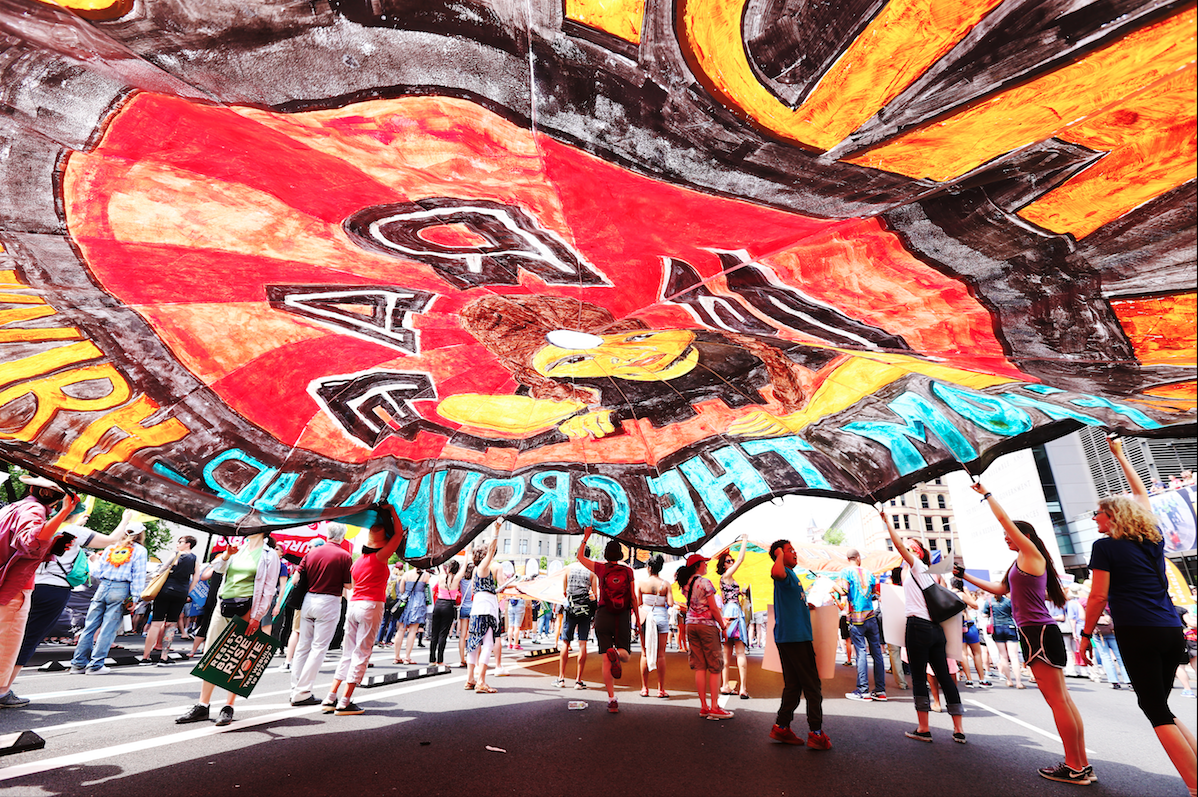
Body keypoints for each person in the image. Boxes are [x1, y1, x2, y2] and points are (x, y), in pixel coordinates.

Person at [1078, 437, 1196, 796]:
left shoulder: (1105, 546)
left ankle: (1194, 786)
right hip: (1169, 629)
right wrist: (1119, 455)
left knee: (1154, 709)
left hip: (1138, 631)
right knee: (1160, 705)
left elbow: (1098, 595)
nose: (1094, 517)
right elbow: (1140, 495)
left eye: (1097, 512)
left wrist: (1085, 636)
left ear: (1112, 517)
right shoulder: (1153, 538)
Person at [960, 483, 1089, 783]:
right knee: (1063, 700)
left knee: (1058, 701)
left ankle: (1074, 767)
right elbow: (999, 590)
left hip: (1038, 632)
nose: (1005, 537)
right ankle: (1080, 763)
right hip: (1038, 631)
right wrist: (963, 575)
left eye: (1010, 535)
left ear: (1025, 536)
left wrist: (986, 494)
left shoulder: (1031, 553)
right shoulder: (1021, 562)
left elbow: (1005, 521)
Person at [177, 530, 280, 726]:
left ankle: (228, 706)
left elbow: (268, 588)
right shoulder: (238, 550)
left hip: (247, 608)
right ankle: (202, 705)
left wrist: (257, 616)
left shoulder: (269, 555)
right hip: (223, 604)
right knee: (211, 653)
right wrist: (226, 555)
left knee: (237, 655)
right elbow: (218, 569)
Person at [883, 511, 966, 744]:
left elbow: (899, 547)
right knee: (945, 677)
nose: (905, 549)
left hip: (917, 627)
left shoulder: (917, 567)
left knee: (919, 677)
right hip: (935, 630)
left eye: (912, 547)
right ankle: (958, 729)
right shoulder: (924, 573)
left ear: (918, 554)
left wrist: (887, 521)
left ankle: (924, 728)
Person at [0, 475, 79, 707]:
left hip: (7, 580)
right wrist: (64, 514)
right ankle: (2, 691)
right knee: (8, 641)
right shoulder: (35, 510)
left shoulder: (14, 507)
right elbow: (30, 540)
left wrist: (50, 546)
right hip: (14, 586)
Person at [323, 516, 407, 716]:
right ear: (382, 542)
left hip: (354, 605)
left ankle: (331, 697)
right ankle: (345, 701)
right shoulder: (380, 556)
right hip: (371, 605)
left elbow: (350, 585)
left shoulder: (358, 561)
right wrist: (391, 511)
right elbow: (397, 534)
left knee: (348, 653)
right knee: (362, 652)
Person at [767, 539, 830, 749]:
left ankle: (781, 726)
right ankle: (816, 732)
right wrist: (777, 555)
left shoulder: (793, 575)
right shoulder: (782, 572)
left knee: (793, 684)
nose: (794, 553)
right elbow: (775, 573)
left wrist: (806, 606)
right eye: (789, 550)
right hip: (796, 638)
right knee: (812, 686)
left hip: (790, 637)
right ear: (779, 554)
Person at [70, 516, 148, 675]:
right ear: (141, 535)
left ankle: (78, 664)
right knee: (108, 629)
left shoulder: (111, 547)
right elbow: (138, 576)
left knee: (89, 626)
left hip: (103, 587)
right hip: (121, 589)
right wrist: (135, 598)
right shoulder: (140, 551)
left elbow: (97, 572)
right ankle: (96, 665)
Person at [290, 523, 353, 706]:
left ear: (327, 534)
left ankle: (295, 688)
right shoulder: (345, 556)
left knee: (303, 646)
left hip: (308, 599)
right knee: (318, 648)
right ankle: (302, 692)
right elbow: (348, 585)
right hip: (329, 601)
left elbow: (296, 578)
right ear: (342, 537)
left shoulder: (311, 553)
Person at [576, 529, 638, 713]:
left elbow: (580, 557)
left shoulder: (601, 568)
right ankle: (618, 654)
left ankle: (611, 699)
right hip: (622, 615)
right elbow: (633, 596)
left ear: (605, 554)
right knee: (625, 653)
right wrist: (638, 619)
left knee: (605, 660)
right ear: (620, 555)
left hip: (603, 614)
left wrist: (586, 537)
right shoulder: (628, 571)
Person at [676, 553, 733, 720]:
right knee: (715, 666)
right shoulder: (705, 583)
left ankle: (704, 706)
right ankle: (715, 706)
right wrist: (722, 626)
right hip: (706, 626)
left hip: (691, 625)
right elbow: (714, 609)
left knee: (699, 666)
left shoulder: (685, 584)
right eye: (704, 563)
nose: (706, 566)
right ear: (697, 566)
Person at [141, 535, 198, 664]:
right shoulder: (195, 559)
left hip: (165, 591)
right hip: (181, 594)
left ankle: (146, 656)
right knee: (171, 624)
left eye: (180, 542)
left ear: (188, 544)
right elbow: (196, 578)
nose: (178, 544)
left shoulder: (176, 554)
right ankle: (164, 657)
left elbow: (162, 569)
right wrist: (187, 591)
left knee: (156, 623)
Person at [840, 548, 886, 702]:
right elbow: (874, 594)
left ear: (848, 559)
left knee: (861, 653)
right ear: (858, 558)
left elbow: (843, 593)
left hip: (856, 618)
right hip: (871, 616)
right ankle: (880, 691)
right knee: (877, 654)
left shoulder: (845, 572)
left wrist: (832, 588)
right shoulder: (869, 573)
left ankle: (863, 690)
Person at [464, 524, 502, 694]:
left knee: (473, 643)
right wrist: (496, 530)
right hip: (487, 609)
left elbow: (477, 590)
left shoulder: (475, 572)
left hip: (477, 608)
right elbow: (492, 549)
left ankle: (470, 679)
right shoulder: (484, 567)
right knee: (488, 643)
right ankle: (481, 681)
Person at [716, 535, 751, 699]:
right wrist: (745, 540)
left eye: (731, 560)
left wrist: (741, 592)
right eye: (729, 561)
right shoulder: (728, 575)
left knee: (726, 653)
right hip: (734, 612)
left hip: (727, 613)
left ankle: (725, 685)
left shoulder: (725, 579)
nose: (732, 562)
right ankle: (743, 688)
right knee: (740, 652)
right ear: (724, 565)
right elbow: (741, 559)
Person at [556, 555, 598, 689]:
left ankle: (561, 679)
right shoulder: (592, 572)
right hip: (585, 610)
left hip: (570, 609)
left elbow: (564, 591)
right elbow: (595, 595)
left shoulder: (568, 569)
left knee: (565, 642)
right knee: (582, 643)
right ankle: (578, 681)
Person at [637, 553, 671, 698]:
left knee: (645, 653)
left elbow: (638, 603)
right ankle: (660, 689)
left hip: (645, 618)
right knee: (661, 655)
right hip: (661, 618)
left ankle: (644, 688)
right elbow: (670, 603)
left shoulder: (641, 583)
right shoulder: (665, 584)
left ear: (649, 568)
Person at [428, 559, 465, 667]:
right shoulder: (456, 579)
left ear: (448, 568)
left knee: (434, 633)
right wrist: (467, 554)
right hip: (449, 606)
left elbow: (438, 563)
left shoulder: (442, 576)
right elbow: (464, 567)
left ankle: (432, 660)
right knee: (443, 634)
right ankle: (440, 660)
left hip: (438, 604)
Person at [394, 566, 430, 665]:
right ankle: (407, 657)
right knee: (413, 631)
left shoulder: (406, 574)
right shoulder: (426, 575)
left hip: (406, 602)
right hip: (418, 603)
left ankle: (396, 657)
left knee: (401, 629)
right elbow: (427, 592)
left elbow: (401, 590)